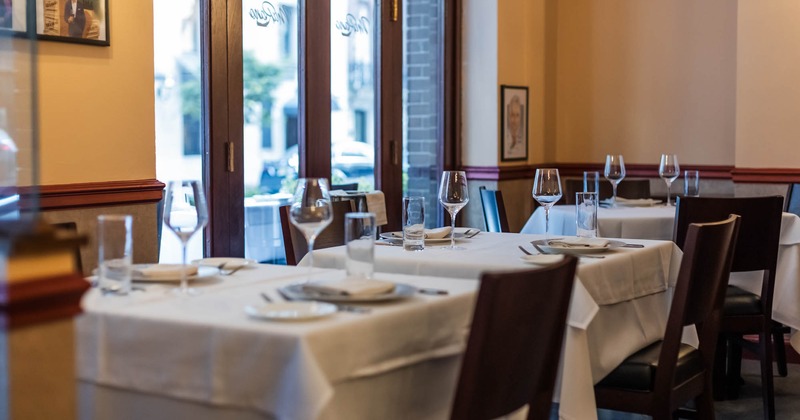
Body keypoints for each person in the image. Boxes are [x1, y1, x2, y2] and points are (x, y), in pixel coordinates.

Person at [504, 95, 525, 159]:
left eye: (517, 115)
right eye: (512, 115)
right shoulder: (506, 139)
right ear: (508, 117)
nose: (515, 121)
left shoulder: (522, 140)